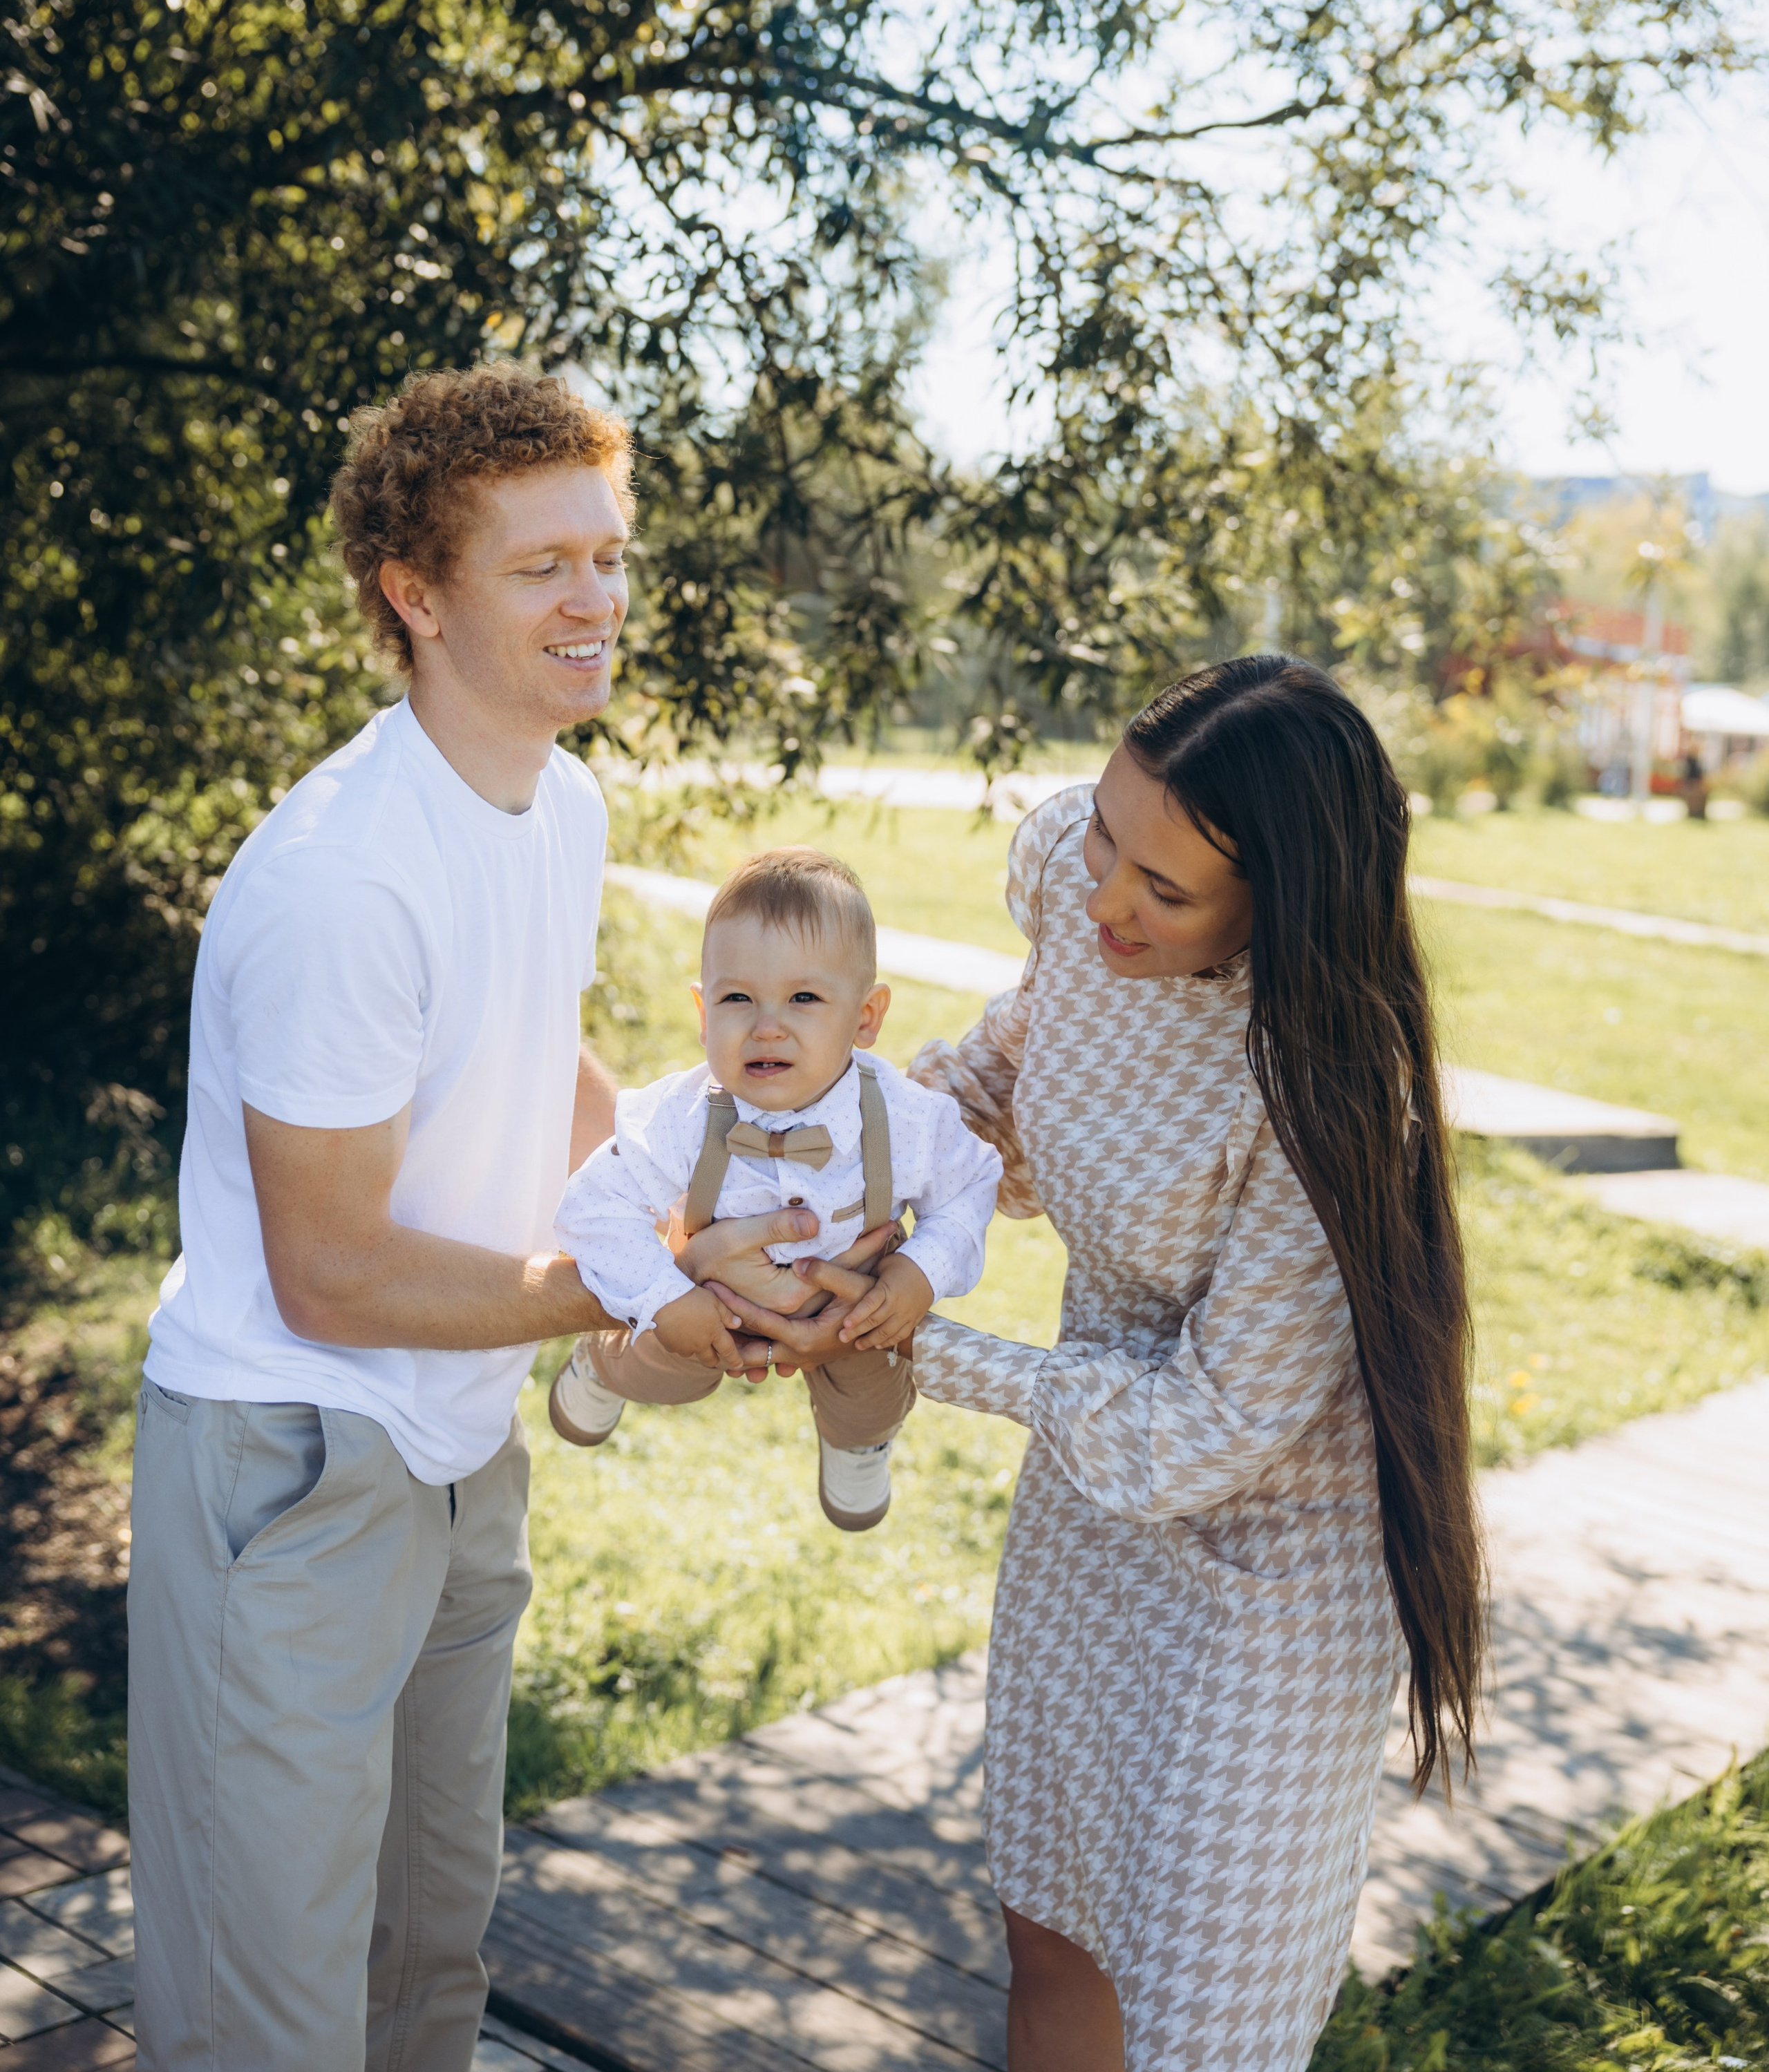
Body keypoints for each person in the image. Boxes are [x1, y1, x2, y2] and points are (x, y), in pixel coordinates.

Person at [126, 365, 808, 2072]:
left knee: (426, 1958)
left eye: (610, 553)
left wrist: (701, 1194)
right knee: (263, 2012)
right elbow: (331, 1265)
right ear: (414, 596)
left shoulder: (555, 800)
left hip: (456, 1449)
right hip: (288, 1467)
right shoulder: (342, 880)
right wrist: (631, 1289)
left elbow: (536, 1046)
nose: (597, 601)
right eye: (540, 566)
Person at [716, 656, 1485, 2072]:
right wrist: (859, 1195)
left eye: (1164, 889)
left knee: (1197, 2017)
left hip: (1264, 1579)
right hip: (1089, 1511)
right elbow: (1015, 1062)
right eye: (1105, 839)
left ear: (1278, 909)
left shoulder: (1325, 1095)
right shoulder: (1085, 894)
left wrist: (922, 1345)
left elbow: (1201, 1431)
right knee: (1054, 1928)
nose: (1102, 899)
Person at [549, 846, 1002, 1529]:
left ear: (865, 1018)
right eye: (738, 998)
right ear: (704, 1014)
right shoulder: (684, 1115)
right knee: (670, 1363)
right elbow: (593, 1206)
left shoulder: (901, 1119)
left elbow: (971, 1183)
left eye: (803, 998)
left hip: (856, 1298)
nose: (767, 1024)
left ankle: (858, 1442)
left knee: (873, 1385)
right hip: (713, 1296)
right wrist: (666, 1300)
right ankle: (601, 1369)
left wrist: (917, 1272)